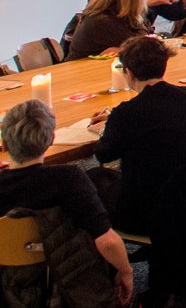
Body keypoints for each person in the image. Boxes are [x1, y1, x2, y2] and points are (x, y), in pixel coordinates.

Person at [0, 101, 134, 305]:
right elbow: (107, 241)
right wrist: (126, 272)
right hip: (66, 277)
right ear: (51, 139)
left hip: (8, 282)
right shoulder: (68, 179)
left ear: (5, 144)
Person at [88, 35, 186, 234]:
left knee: (90, 179)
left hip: (144, 212)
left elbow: (104, 154)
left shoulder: (127, 112)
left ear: (128, 72)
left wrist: (107, 127)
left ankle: (101, 258)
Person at [67, 0, 151, 60]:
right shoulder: (102, 21)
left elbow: (144, 36)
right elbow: (143, 47)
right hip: (80, 71)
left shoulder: (117, 12)